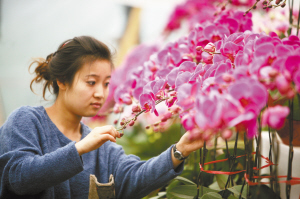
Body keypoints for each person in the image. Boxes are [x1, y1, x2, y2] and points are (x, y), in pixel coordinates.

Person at [0, 36, 204, 199]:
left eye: (106, 84)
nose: (100, 93)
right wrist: (79, 148)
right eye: (91, 82)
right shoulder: (25, 121)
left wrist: (180, 150)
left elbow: (133, 178)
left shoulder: (102, 147)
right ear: (62, 81)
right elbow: (18, 178)